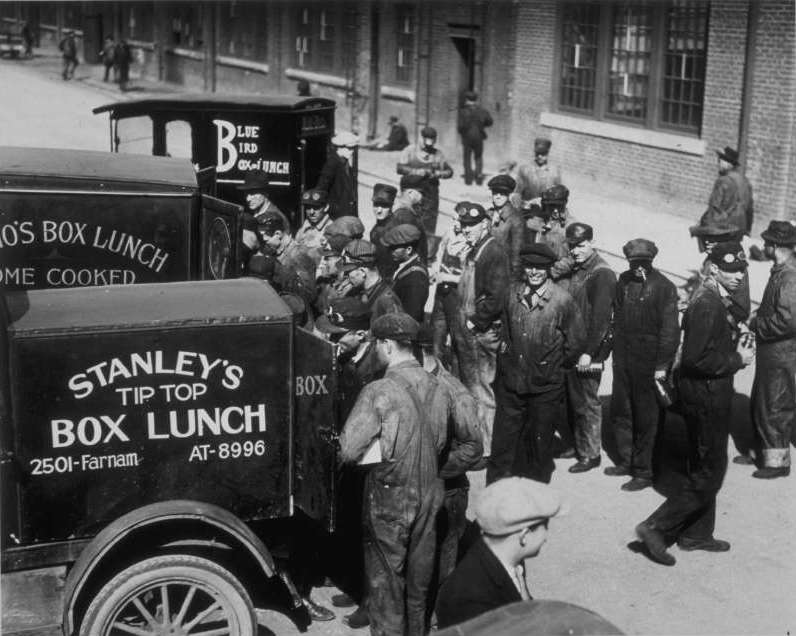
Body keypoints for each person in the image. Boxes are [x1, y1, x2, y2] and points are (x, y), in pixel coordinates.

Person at [635, 242, 754, 566]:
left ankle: (696, 534)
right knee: (711, 470)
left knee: (702, 463)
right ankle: (656, 527)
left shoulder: (712, 298)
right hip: (706, 397)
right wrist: (737, 359)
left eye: (742, 269)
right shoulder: (707, 304)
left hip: (706, 394)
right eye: (731, 270)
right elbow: (695, 358)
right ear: (713, 269)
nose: (739, 275)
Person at [339, 312, 446, 636]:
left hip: (390, 497)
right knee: (419, 586)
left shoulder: (379, 390)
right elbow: (441, 441)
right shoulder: (438, 385)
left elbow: (348, 449)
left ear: (386, 344)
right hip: (432, 490)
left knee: (386, 584)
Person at [487, 243, 585, 485]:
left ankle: (533, 504)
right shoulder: (512, 293)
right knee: (502, 448)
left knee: (538, 450)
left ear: (549, 269)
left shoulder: (563, 301)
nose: (533, 272)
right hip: (511, 385)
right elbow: (506, 335)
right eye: (529, 267)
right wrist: (507, 363)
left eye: (539, 268)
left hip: (545, 389)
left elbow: (576, 344)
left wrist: (550, 367)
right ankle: (495, 503)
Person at [435, 477, 565, 629]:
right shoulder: (468, 600)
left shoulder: (510, 558)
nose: (546, 537)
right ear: (523, 535)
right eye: (545, 526)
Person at [606, 239, 680, 491]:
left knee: (648, 416)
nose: (639, 269)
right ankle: (626, 460)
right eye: (634, 264)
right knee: (622, 410)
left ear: (652, 262)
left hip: (650, 362)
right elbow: (615, 316)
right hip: (624, 358)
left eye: (644, 264)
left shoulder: (664, 288)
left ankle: (644, 471)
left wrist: (662, 365)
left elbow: (670, 332)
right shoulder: (623, 282)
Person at [416, 326, 483, 592]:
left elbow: (473, 448)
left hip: (448, 490)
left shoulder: (455, 393)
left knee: (444, 560)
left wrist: (432, 468)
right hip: (418, 487)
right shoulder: (411, 382)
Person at [452, 202, 510, 457]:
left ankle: (485, 450)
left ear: (484, 224)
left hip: (481, 334)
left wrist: (476, 323)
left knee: (482, 391)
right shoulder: (476, 249)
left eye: (471, 225)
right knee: (471, 388)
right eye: (463, 225)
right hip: (470, 333)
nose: (466, 230)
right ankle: (475, 441)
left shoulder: (493, 252)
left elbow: (497, 296)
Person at [561, 223, 617, 474]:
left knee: (587, 402)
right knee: (571, 399)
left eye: (581, 245)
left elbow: (602, 319)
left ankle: (591, 452)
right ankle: (576, 444)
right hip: (571, 345)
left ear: (592, 243)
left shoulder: (601, 273)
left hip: (586, 349)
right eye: (572, 246)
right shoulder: (578, 267)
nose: (576, 250)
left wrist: (590, 352)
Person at [750, 220, 796, 479]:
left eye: (767, 242)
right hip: (772, 350)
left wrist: (757, 323)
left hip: (781, 352)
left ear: (776, 246)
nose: (764, 246)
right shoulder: (781, 270)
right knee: (762, 399)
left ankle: (777, 462)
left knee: (776, 403)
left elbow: (788, 320)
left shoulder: (790, 276)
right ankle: (761, 451)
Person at [397, 126, 453, 234]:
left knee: (429, 223)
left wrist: (437, 174)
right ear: (421, 138)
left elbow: (449, 172)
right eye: (426, 140)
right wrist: (417, 171)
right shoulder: (410, 150)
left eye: (432, 140)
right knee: (407, 219)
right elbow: (400, 168)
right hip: (411, 190)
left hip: (430, 194)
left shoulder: (438, 154)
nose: (429, 145)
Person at [369, 183, 428, 280]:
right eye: (376, 205)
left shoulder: (397, 226)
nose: (379, 211)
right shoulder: (376, 229)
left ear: (392, 206)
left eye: (384, 206)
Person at [699, 146, 754, 246]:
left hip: (724, 229)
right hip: (740, 228)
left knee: (715, 257)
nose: (718, 164)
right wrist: (747, 230)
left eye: (720, 161)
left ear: (727, 163)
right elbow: (750, 209)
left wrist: (704, 226)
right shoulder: (745, 181)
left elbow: (714, 207)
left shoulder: (723, 181)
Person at [339, 239, 403, 325]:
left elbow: (395, 333)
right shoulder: (362, 292)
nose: (345, 275)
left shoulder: (386, 300)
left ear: (362, 272)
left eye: (348, 271)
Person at [256, 212, 317, 296]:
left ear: (278, 234)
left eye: (266, 241)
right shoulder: (274, 251)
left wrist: (278, 272)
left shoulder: (298, 255)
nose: (263, 245)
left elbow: (308, 293)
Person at [382, 224, 429, 323]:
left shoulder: (416, 276)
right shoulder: (402, 265)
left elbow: (412, 315)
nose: (390, 251)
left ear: (408, 250)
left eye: (394, 248)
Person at [487, 174, 525, 278]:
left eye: (502, 193)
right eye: (495, 193)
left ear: (508, 195)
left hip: (502, 271)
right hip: (484, 266)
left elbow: (517, 252)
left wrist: (514, 276)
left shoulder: (515, 219)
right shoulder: (488, 214)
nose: (498, 196)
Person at [316, 131, 359, 218]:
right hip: (337, 214)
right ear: (339, 148)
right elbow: (322, 188)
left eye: (353, 148)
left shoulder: (344, 163)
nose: (352, 152)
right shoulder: (332, 164)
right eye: (350, 148)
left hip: (347, 212)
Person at [514, 137, 562, 210]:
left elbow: (559, 195)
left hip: (546, 211)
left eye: (543, 154)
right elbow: (517, 192)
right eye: (537, 153)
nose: (540, 156)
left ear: (548, 153)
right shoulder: (525, 169)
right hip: (527, 210)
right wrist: (518, 208)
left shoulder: (554, 172)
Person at [457, 91, 493, 186]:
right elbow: (490, 122)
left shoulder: (463, 111)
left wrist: (463, 132)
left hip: (467, 137)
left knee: (467, 157)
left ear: (467, 100)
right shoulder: (482, 111)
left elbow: (460, 127)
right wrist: (481, 126)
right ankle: (479, 179)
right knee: (478, 157)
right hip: (479, 137)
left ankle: (468, 180)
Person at [294, 187, 333, 265]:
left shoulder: (332, 229)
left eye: (316, 208)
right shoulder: (303, 229)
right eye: (308, 208)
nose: (311, 212)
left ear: (326, 207)